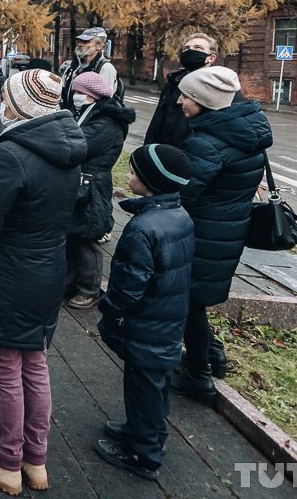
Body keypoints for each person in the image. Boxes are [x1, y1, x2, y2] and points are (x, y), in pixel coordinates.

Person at [0, 69, 88, 495]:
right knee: (34, 364)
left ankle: (5, 461)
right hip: (46, 271)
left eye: (5, 99)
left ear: (16, 105)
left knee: (6, 369)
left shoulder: (10, 155)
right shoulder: (67, 149)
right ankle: (35, 459)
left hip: (7, 275)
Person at [173, 66, 271, 405]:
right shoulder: (245, 134)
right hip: (226, 232)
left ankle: (199, 376)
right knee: (194, 302)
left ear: (204, 102)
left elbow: (184, 192)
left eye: (186, 96)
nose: (179, 101)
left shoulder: (206, 143)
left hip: (202, 234)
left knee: (189, 304)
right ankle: (212, 356)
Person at [95, 144, 194, 481]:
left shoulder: (143, 228)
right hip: (167, 319)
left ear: (151, 181)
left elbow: (127, 286)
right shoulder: (179, 215)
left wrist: (109, 309)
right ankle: (147, 432)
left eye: (134, 172)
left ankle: (143, 453)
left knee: (143, 386)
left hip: (146, 322)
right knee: (155, 383)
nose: (129, 175)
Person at [64, 72, 136, 309]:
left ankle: (90, 289)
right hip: (84, 180)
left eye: (79, 92)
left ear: (92, 96)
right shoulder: (92, 114)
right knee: (75, 233)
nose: (75, 96)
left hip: (93, 184)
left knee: (88, 236)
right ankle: (71, 282)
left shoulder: (106, 122)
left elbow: (77, 144)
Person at [144, 33, 243, 147]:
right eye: (186, 48)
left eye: (198, 48)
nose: (190, 51)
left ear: (211, 57)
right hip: (165, 152)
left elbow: (229, 129)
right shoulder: (173, 83)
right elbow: (158, 120)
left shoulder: (222, 87)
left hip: (196, 154)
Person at [60, 27, 121, 111]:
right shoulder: (72, 67)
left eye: (86, 42)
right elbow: (62, 91)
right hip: (69, 117)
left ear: (99, 46)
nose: (80, 44)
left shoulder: (105, 68)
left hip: (90, 119)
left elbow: (104, 100)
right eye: (80, 41)